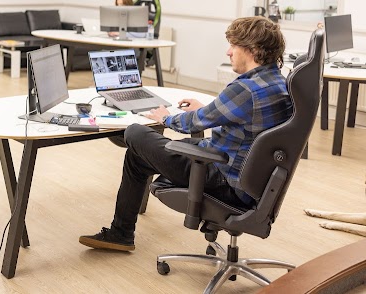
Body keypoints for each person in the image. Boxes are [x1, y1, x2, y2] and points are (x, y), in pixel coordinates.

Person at [79, 16, 292, 251]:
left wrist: (165, 118)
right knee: (136, 156)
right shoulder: (277, 82)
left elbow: (194, 123)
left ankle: (121, 233)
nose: (228, 52)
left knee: (135, 133)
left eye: (233, 46)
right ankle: (121, 234)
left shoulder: (245, 89)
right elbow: (245, 122)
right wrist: (206, 109)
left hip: (220, 176)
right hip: (250, 180)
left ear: (252, 49)